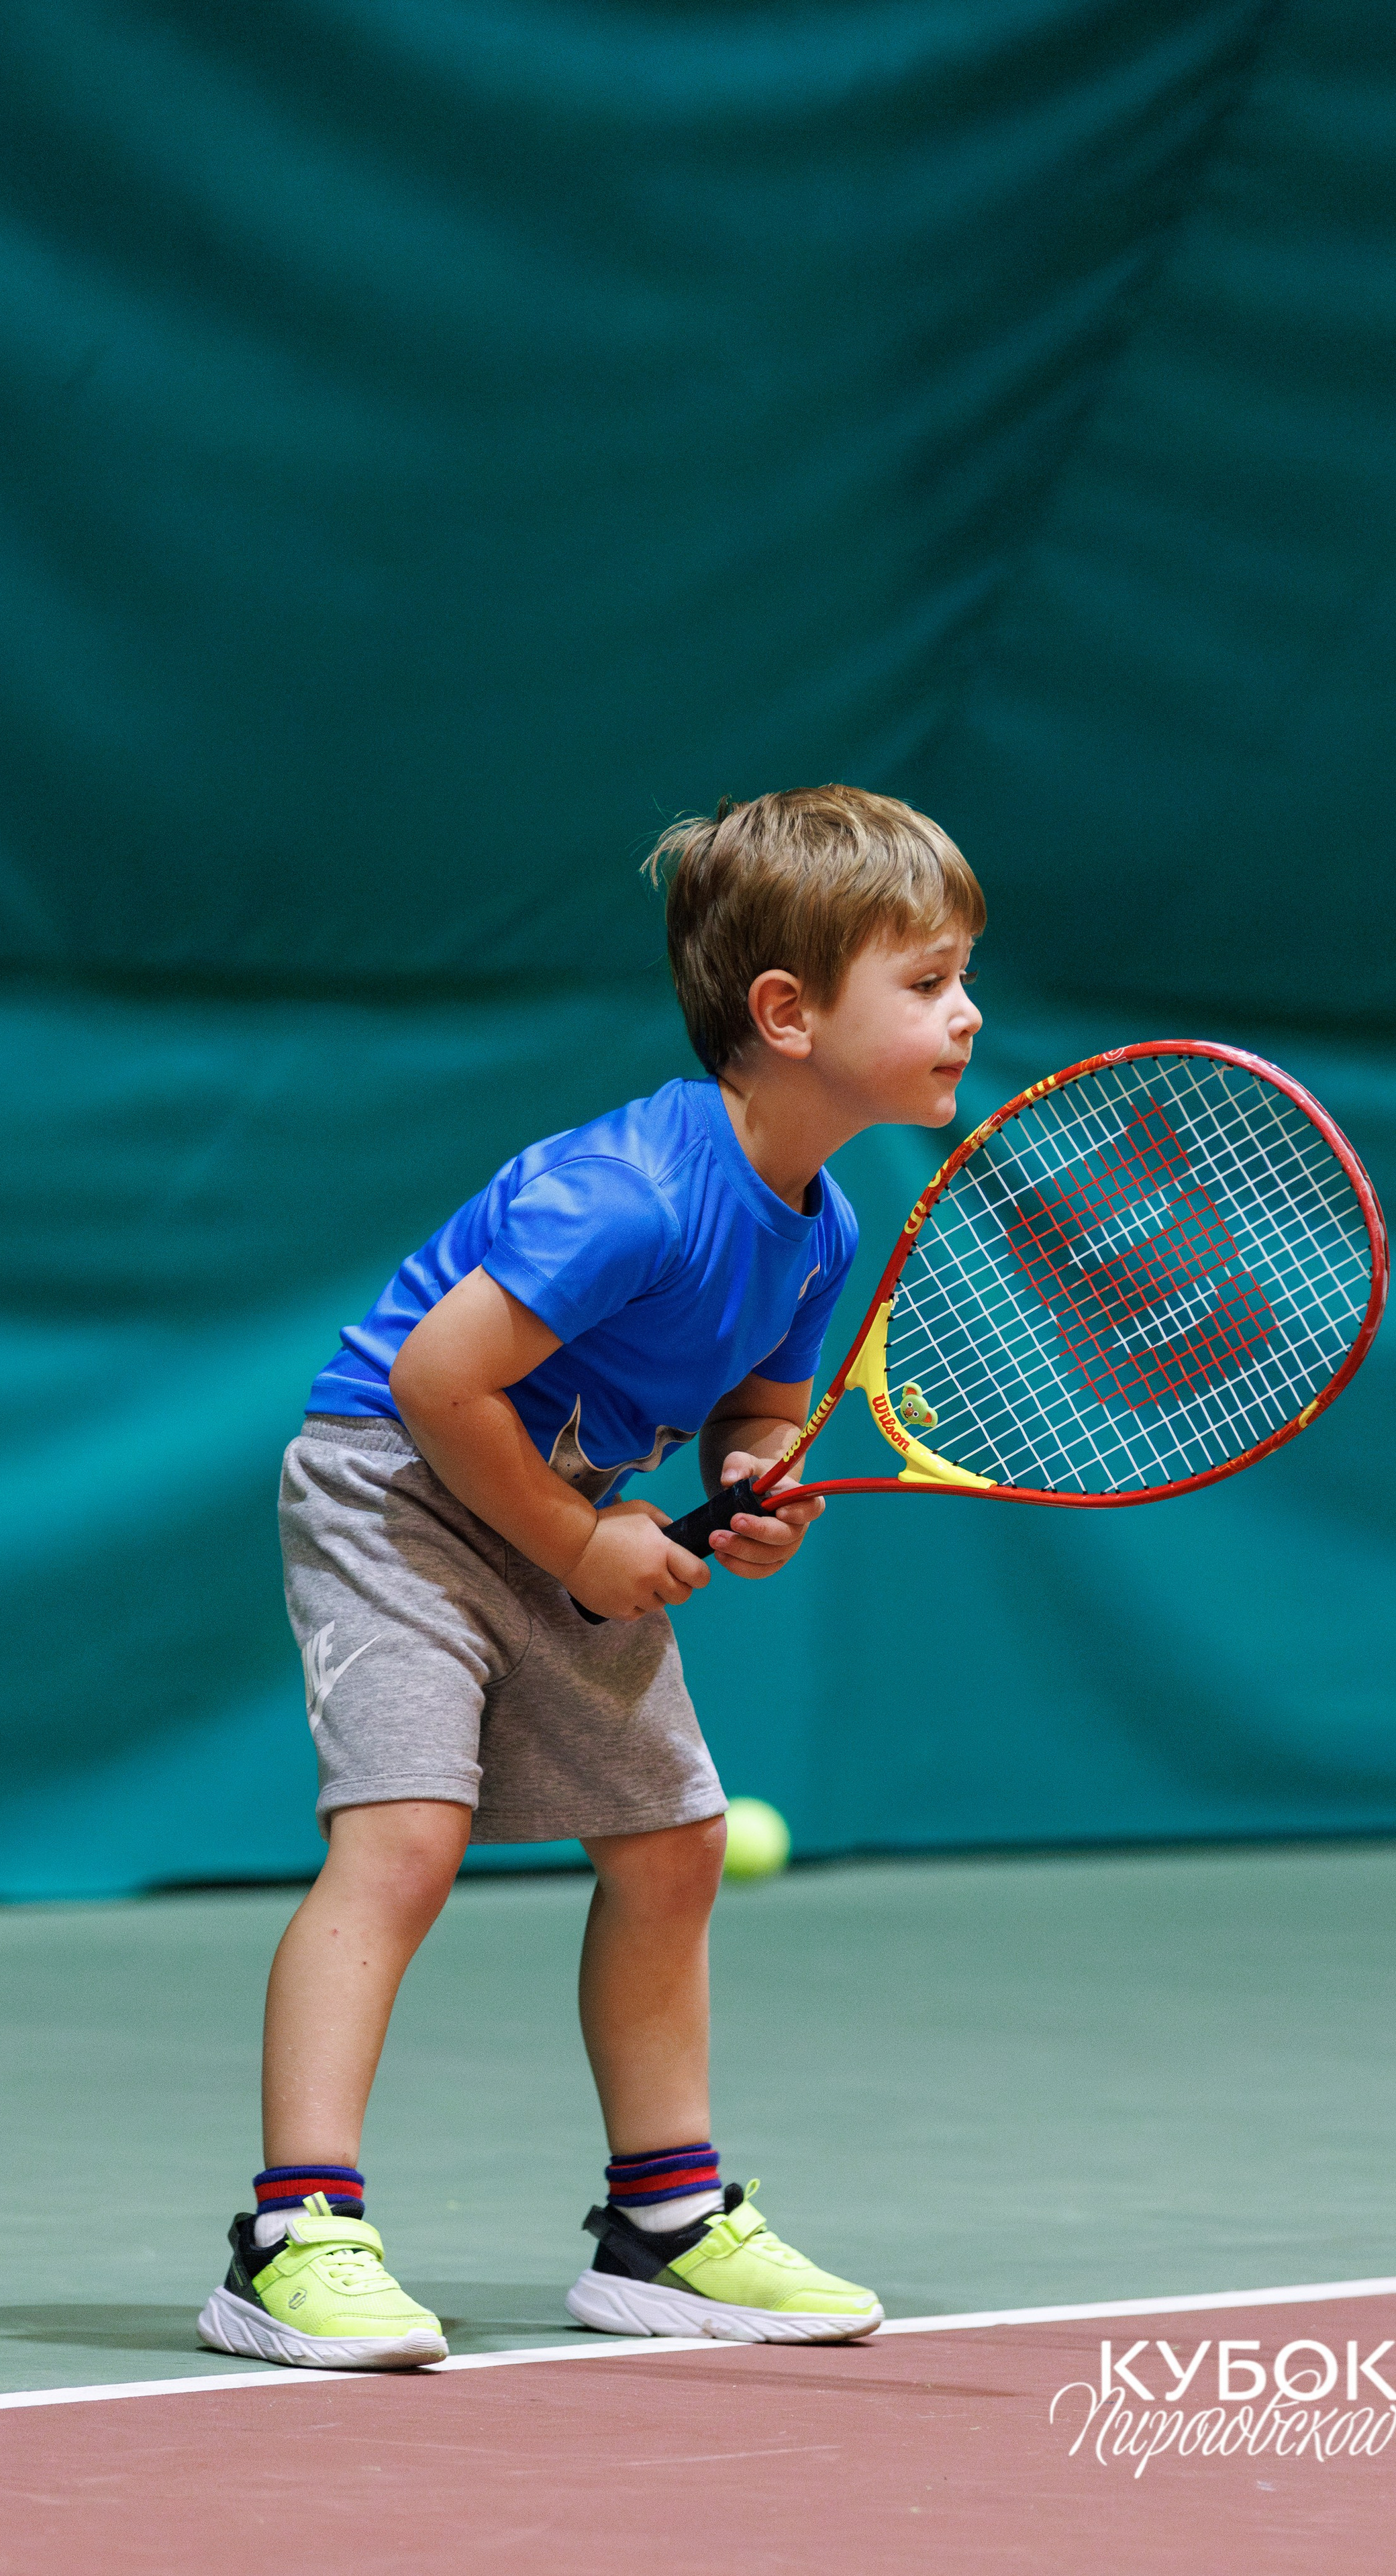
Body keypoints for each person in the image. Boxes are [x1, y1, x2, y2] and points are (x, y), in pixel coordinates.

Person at [197, 785, 985, 2369]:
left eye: (960, 974)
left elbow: (759, 1401)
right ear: (786, 1012)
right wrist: (574, 1540)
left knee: (674, 1845)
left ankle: (666, 2222)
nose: (967, 1011)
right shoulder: (631, 1186)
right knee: (405, 1839)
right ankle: (291, 2234)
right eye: (925, 980)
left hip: (558, 1503)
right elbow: (434, 1379)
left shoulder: (816, 1223)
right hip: (399, 1493)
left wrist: (750, 1480)